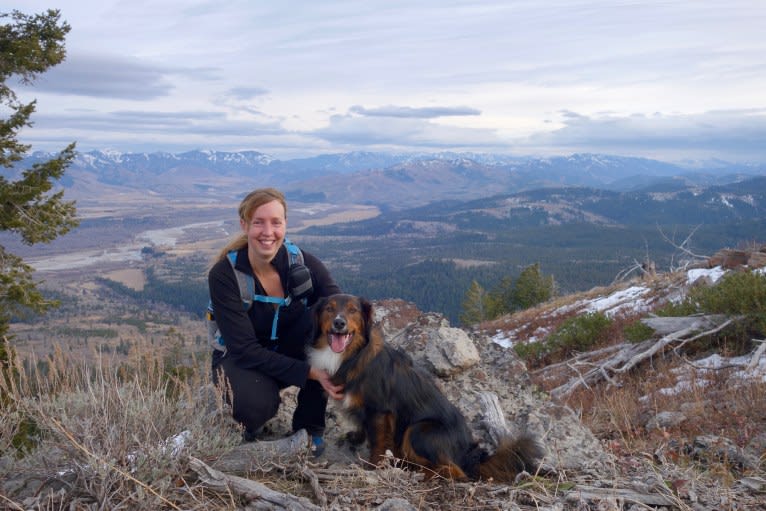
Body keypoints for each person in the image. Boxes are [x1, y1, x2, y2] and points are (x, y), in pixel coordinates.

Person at [208, 188, 343, 451]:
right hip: (241, 359)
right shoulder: (225, 275)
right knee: (253, 406)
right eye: (258, 222)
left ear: (285, 225)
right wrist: (309, 372)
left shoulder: (303, 263)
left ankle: (310, 428)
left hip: (286, 350)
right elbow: (245, 350)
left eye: (275, 222)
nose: (267, 232)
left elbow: (339, 307)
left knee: (325, 332)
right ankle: (253, 418)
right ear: (244, 225)